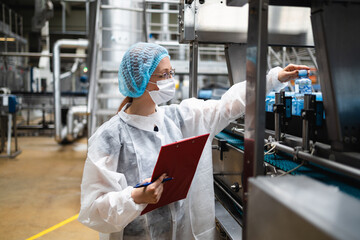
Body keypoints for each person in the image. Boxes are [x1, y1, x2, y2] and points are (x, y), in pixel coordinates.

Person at [78, 42, 309, 240]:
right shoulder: (109, 137)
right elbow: (93, 208)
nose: (171, 80)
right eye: (164, 75)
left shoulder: (178, 118)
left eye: (172, 72)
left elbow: (227, 105)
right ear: (143, 81)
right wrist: (137, 197)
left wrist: (272, 79)